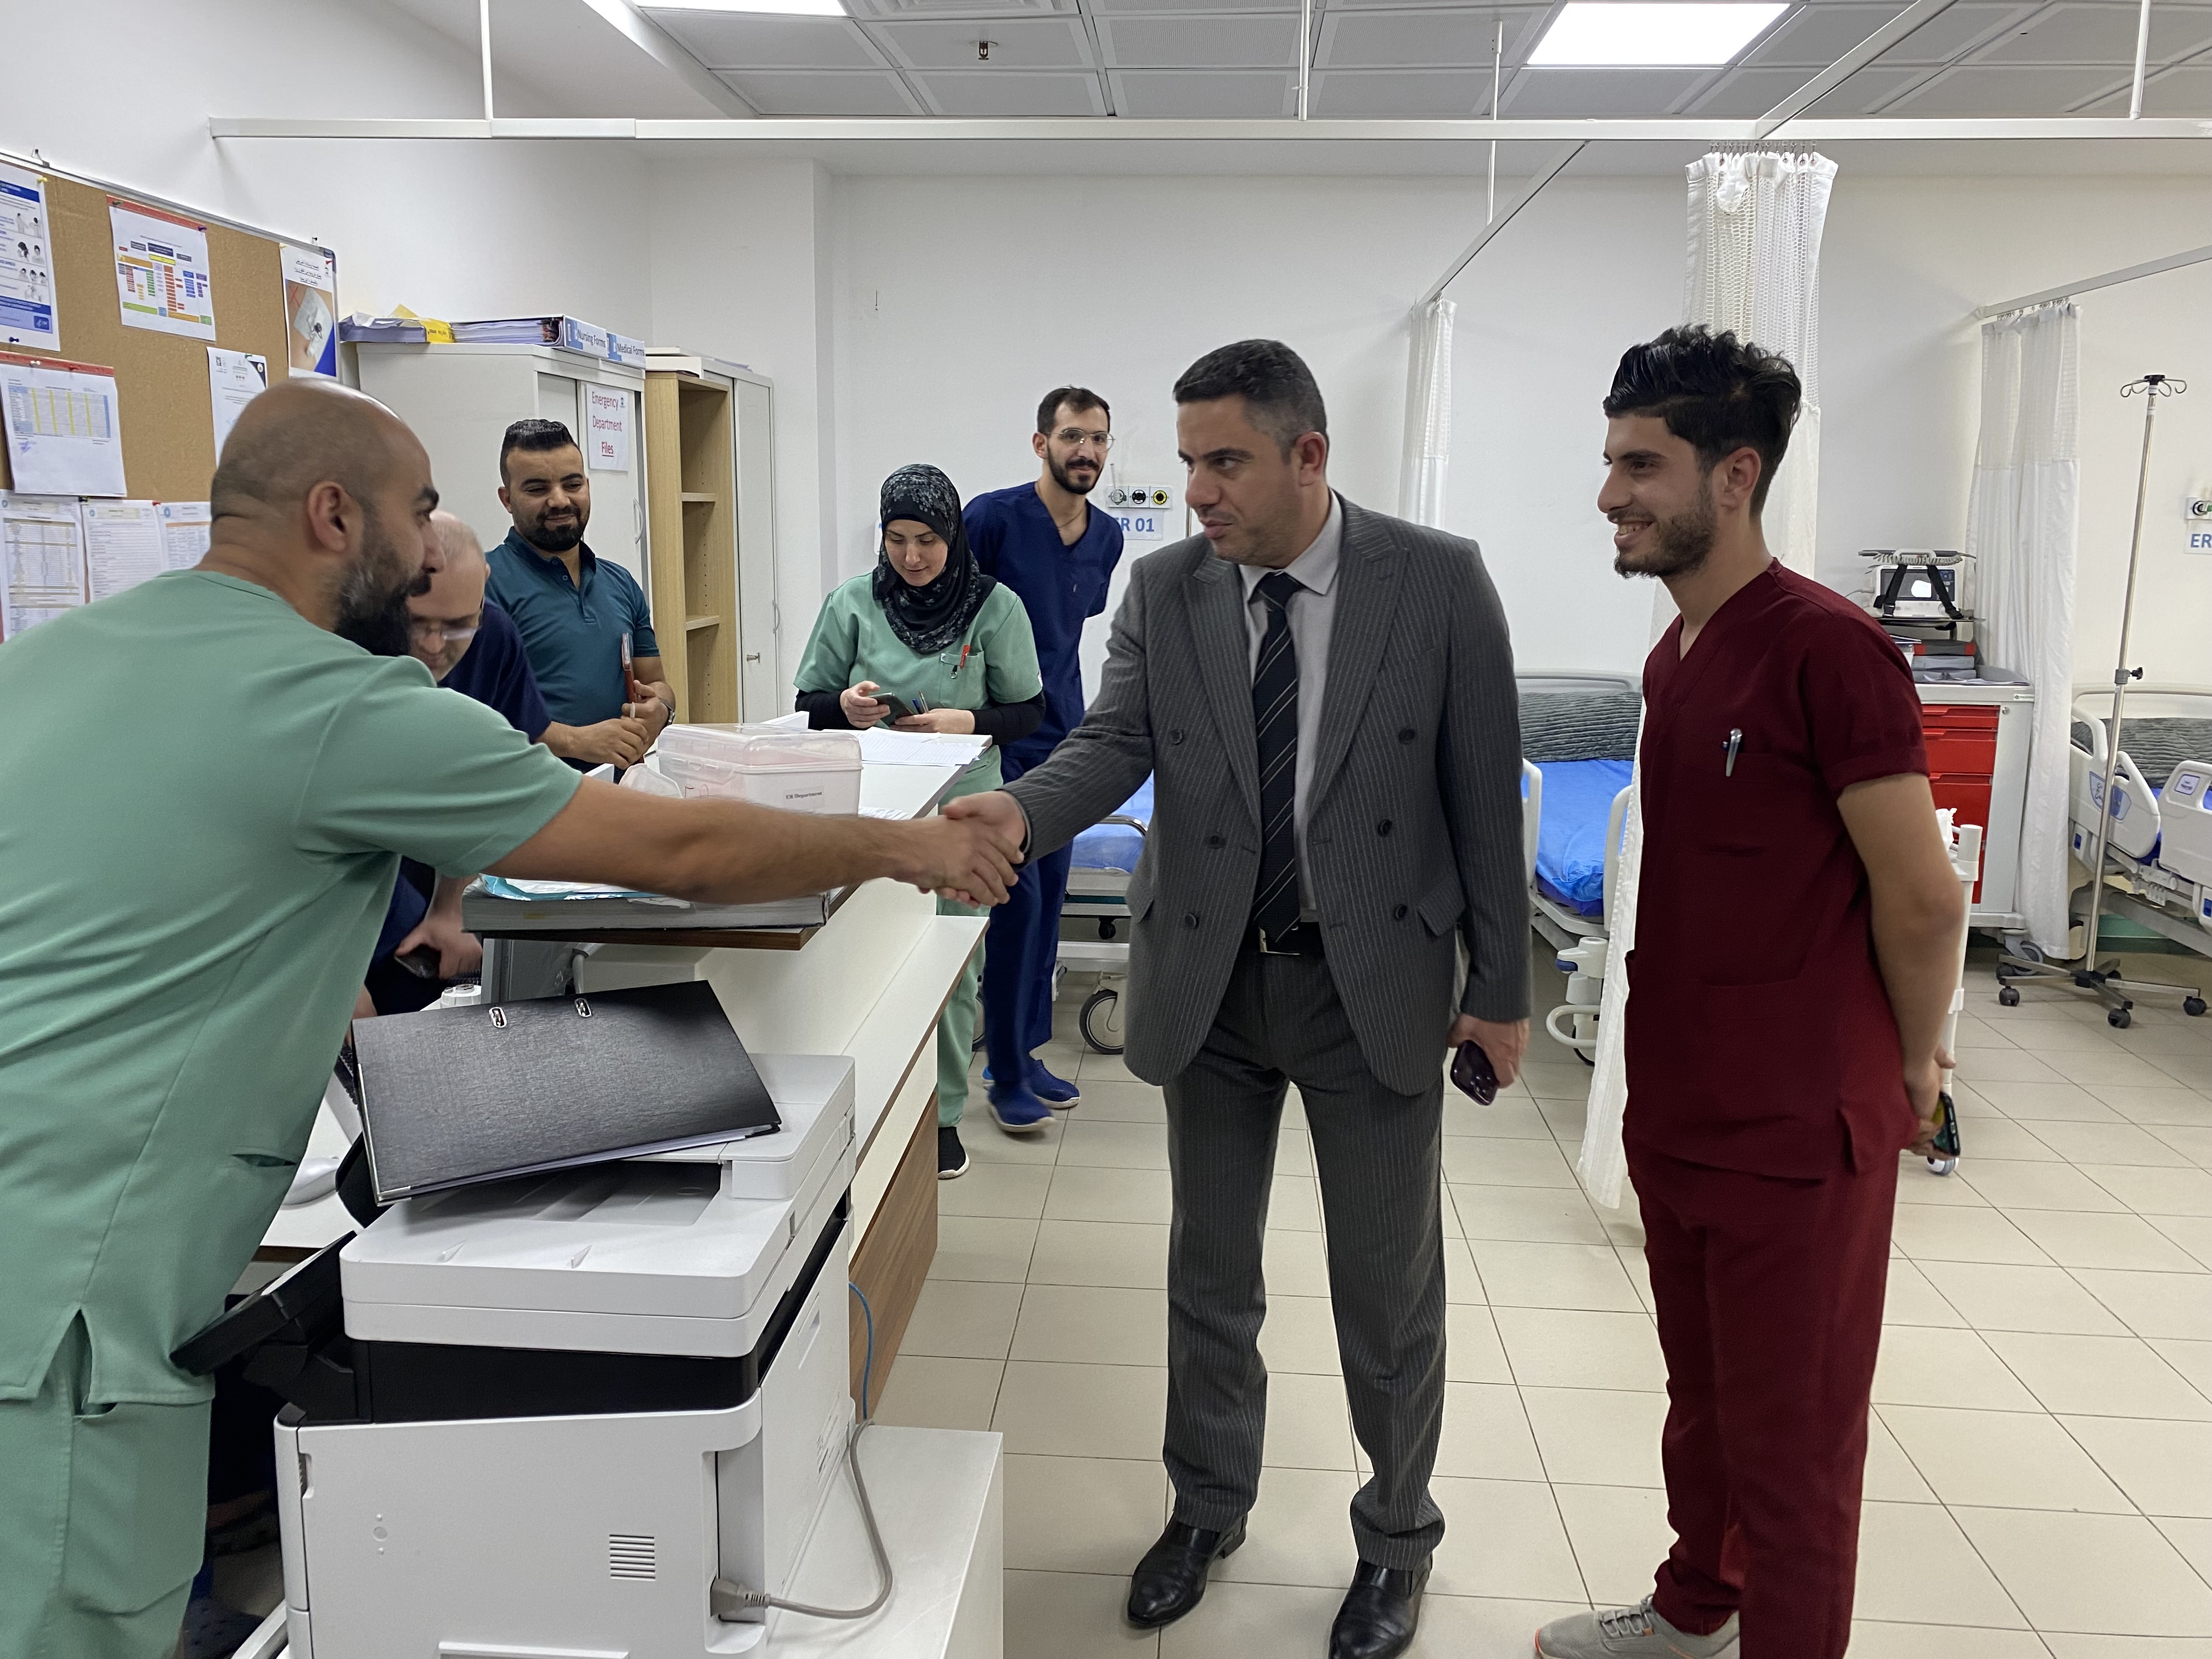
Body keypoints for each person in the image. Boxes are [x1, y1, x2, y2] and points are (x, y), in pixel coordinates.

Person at [0, 379, 1018, 1659]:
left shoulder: (55, 658)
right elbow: (682, 851)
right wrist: (907, 847)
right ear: (333, 516)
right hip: (65, 1324)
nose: (432, 550)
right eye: (418, 511)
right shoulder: (334, 701)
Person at [947, 340, 1529, 1659]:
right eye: (1188, 461)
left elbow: (1484, 794)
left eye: (1225, 462)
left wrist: (1500, 989)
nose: (1195, 491)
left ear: (1307, 456)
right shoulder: (1167, 588)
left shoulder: (1435, 582)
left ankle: (1396, 1540)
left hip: (1369, 983)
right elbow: (1113, 741)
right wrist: (1019, 814)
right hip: (1209, 978)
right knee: (1210, 1272)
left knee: (1386, 1290)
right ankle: (1207, 1508)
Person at [1533, 328, 1964, 1659]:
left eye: (1641, 465)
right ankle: (1695, 1608)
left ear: (1736, 476)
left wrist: (1918, 1064)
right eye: (1611, 462)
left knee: (1795, 1447)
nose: (1610, 493)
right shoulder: (1678, 655)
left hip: (1795, 1131)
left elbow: (1923, 896)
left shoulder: (1829, 651)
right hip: (1684, 1105)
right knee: (1706, 1404)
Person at [795, 464, 1046, 1177]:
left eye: (928, 540)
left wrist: (969, 721)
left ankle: (942, 1117)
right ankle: (868, 1107)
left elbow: (1030, 711)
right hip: (871, 810)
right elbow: (809, 703)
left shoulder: (996, 608)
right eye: (897, 539)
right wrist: (846, 707)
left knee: (951, 966)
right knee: (866, 961)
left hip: (964, 812)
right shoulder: (852, 603)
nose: (911, 556)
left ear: (954, 535)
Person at [963, 387, 1124, 1121]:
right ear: (1041, 444)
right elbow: (953, 615)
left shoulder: (1107, 535)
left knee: (1049, 902)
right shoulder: (992, 519)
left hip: (1065, 735)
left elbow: (1072, 622)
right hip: (1000, 737)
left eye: (1097, 439)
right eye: (1071, 437)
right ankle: (1004, 1073)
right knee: (1016, 903)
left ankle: (1024, 1054)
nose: (1085, 451)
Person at [360, 510, 559, 1015]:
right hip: (340, 880)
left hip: (430, 866)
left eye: (456, 627)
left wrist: (453, 908)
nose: (433, 647)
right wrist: (332, 981)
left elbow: (486, 784)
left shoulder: (494, 635)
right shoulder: (348, 647)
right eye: (416, 624)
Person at [483, 417, 669, 771]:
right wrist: (576, 741)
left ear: (586, 486)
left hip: (619, 787)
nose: (559, 500)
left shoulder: (620, 582)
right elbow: (474, 713)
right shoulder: (482, 585)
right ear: (507, 500)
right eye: (537, 489)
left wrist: (661, 709)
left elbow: (656, 682)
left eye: (572, 484)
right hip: (532, 793)